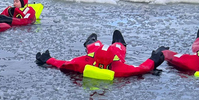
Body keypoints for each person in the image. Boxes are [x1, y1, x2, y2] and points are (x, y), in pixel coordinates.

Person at [35, 30, 167, 78]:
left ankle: (92, 43)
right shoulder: (119, 68)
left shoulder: (84, 62)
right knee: (118, 50)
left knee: (95, 48)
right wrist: (154, 59)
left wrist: (48, 59)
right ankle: (119, 43)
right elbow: (140, 69)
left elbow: (64, 64)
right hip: (113, 59)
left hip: (93, 58)